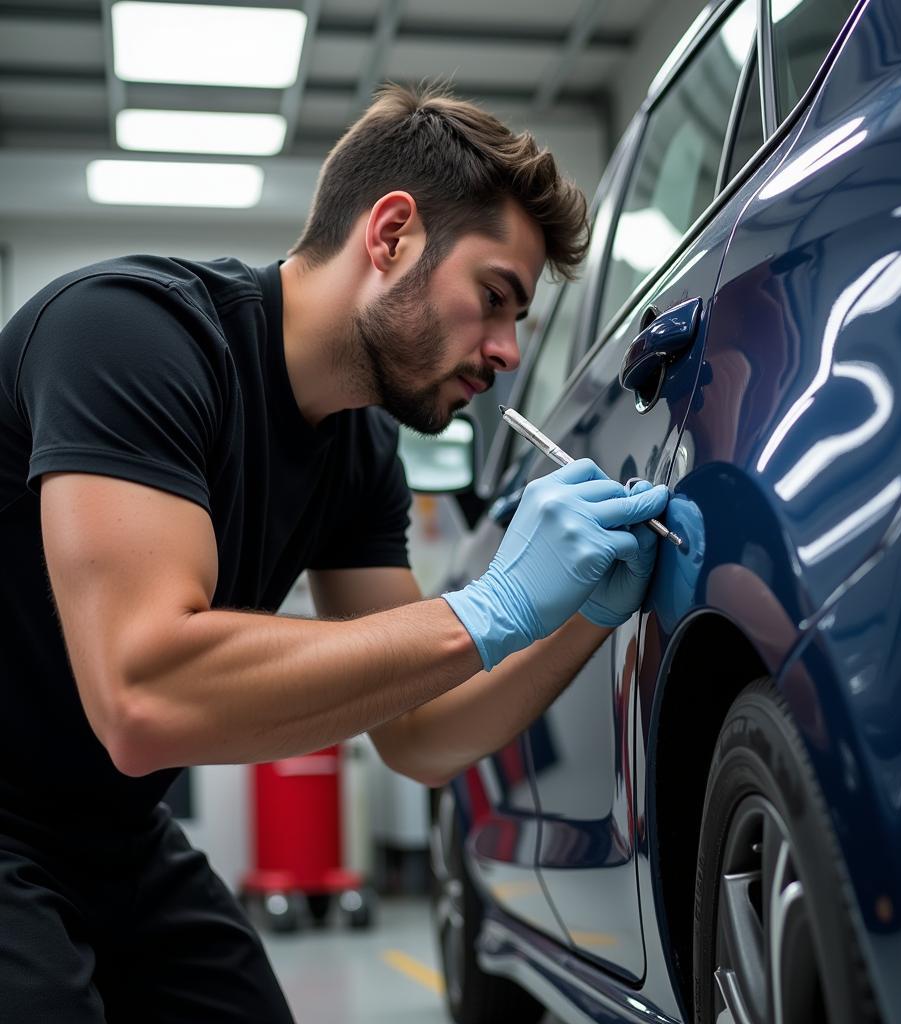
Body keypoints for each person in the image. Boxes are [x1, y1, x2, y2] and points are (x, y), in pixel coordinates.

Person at [0, 84, 669, 1021]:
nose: (509, 351)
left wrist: (583, 618)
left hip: (112, 834)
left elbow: (421, 736)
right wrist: (488, 607)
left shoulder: (360, 453)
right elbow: (144, 695)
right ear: (391, 233)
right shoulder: (131, 335)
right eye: (493, 298)